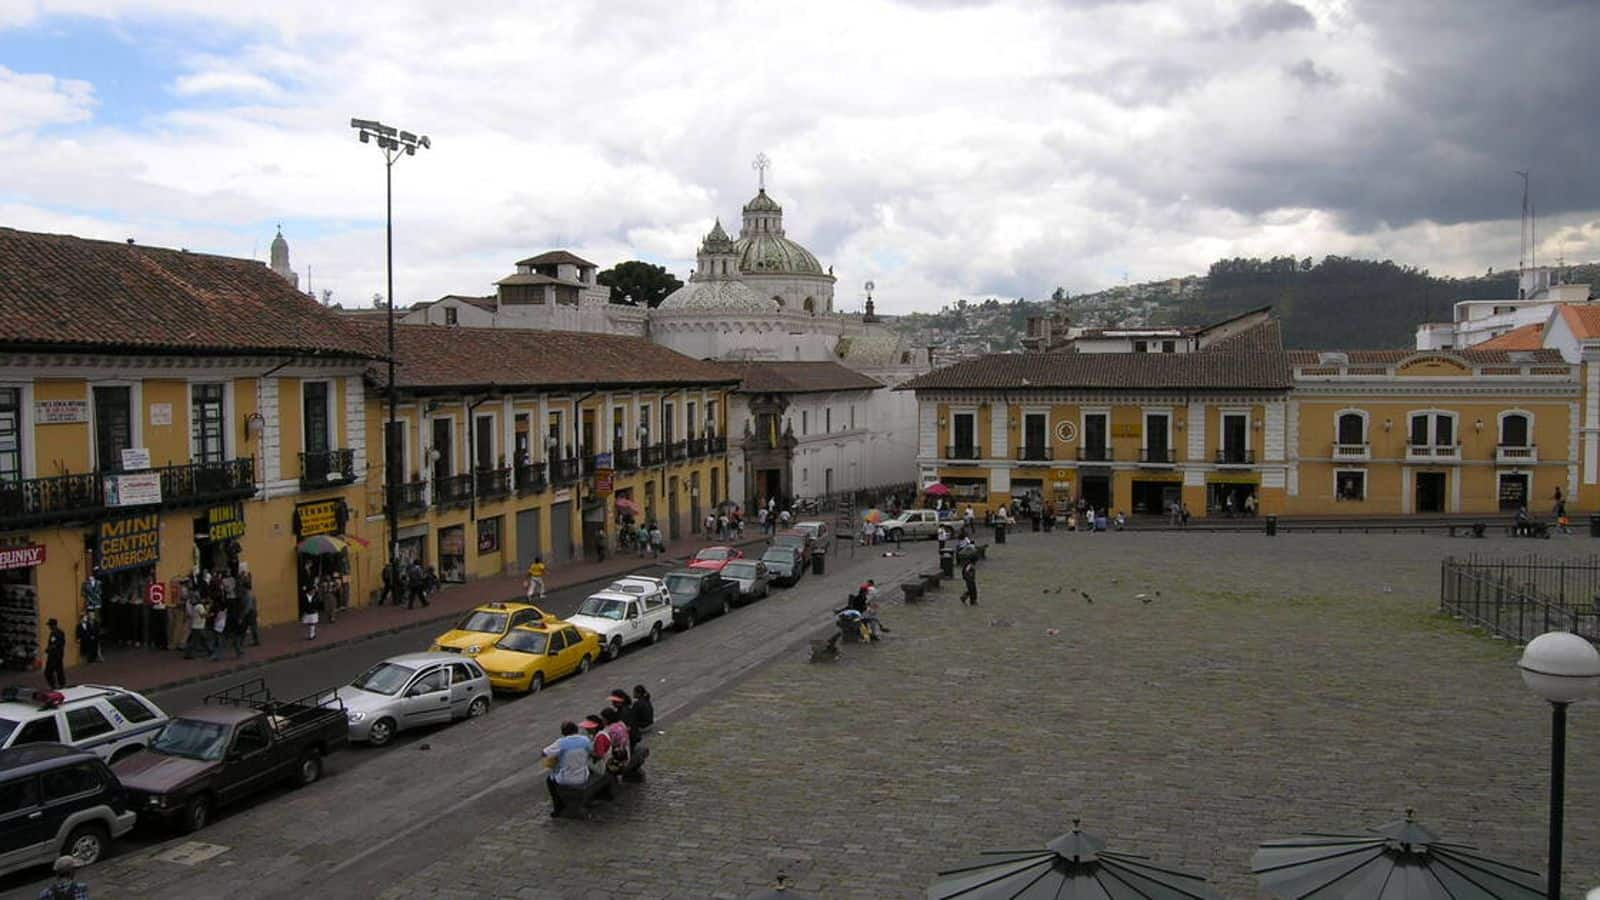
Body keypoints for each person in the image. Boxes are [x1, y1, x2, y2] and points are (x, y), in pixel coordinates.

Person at [542, 721, 594, 816]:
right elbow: (591, 752)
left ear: (563, 732)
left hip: (566, 778)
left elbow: (544, 753)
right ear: (576, 730)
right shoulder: (585, 740)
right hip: (583, 776)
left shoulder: (561, 742)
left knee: (550, 780)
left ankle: (558, 807)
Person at [599, 706, 631, 771]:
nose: (602, 721)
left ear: (607, 719)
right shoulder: (621, 723)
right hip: (626, 753)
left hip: (617, 759)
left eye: (603, 719)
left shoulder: (607, 730)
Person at [182, 591, 209, 660]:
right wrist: (209, 613)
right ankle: (188, 654)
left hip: (196, 625)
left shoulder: (194, 606)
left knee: (202, 639)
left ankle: (209, 650)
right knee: (195, 641)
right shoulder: (200, 606)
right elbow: (203, 615)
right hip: (198, 626)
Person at [43, 618, 66, 690]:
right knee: (59, 670)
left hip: (54, 655)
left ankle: (54, 685)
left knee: (48, 671)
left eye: (50, 625)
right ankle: (61, 684)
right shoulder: (57, 632)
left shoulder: (56, 633)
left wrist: (49, 648)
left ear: (53, 625)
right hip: (57, 655)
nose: (49, 627)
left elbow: (57, 644)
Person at [239, 570, 260, 647]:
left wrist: (242, 615)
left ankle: (240, 642)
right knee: (251, 627)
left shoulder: (247, 595)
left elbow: (248, 606)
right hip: (252, 612)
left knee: (246, 627)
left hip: (250, 613)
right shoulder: (248, 593)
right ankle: (255, 641)